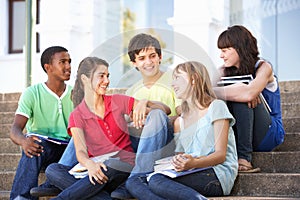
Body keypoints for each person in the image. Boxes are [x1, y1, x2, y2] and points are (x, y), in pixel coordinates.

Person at [45, 56, 171, 199]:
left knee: (111, 165)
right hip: (96, 172)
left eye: (107, 76)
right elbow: (80, 151)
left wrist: (144, 102)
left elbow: (164, 111)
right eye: (101, 76)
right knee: (52, 170)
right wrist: (89, 164)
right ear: (85, 79)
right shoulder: (77, 115)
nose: (107, 81)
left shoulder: (118, 100)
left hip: (122, 166)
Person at [135, 61, 238, 200]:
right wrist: (179, 162)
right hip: (192, 171)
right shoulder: (179, 121)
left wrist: (194, 163)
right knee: (138, 182)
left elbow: (220, 155)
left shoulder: (216, 107)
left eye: (178, 78)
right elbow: (181, 157)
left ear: (194, 79)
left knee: (156, 181)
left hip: (217, 174)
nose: (173, 84)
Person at [111, 33, 181, 199]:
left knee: (156, 115)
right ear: (134, 63)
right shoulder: (133, 90)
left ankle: (137, 177)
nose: (148, 62)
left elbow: (182, 113)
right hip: (139, 143)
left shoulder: (174, 79)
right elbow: (125, 120)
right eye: (142, 58)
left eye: (152, 56)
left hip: (165, 141)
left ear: (160, 57)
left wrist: (150, 111)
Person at [213, 25, 285, 173]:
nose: (221, 55)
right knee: (230, 96)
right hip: (241, 131)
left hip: (269, 134)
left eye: (225, 50)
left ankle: (244, 158)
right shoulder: (223, 71)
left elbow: (249, 94)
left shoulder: (264, 67)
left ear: (239, 48)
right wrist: (236, 90)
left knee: (243, 97)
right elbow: (204, 93)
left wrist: (241, 91)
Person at [9, 46, 73, 200]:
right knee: (34, 144)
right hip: (43, 148)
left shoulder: (76, 93)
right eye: (63, 62)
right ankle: (21, 197)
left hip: (69, 150)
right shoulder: (32, 93)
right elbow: (15, 130)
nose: (69, 66)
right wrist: (24, 141)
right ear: (48, 67)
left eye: (70, 62)